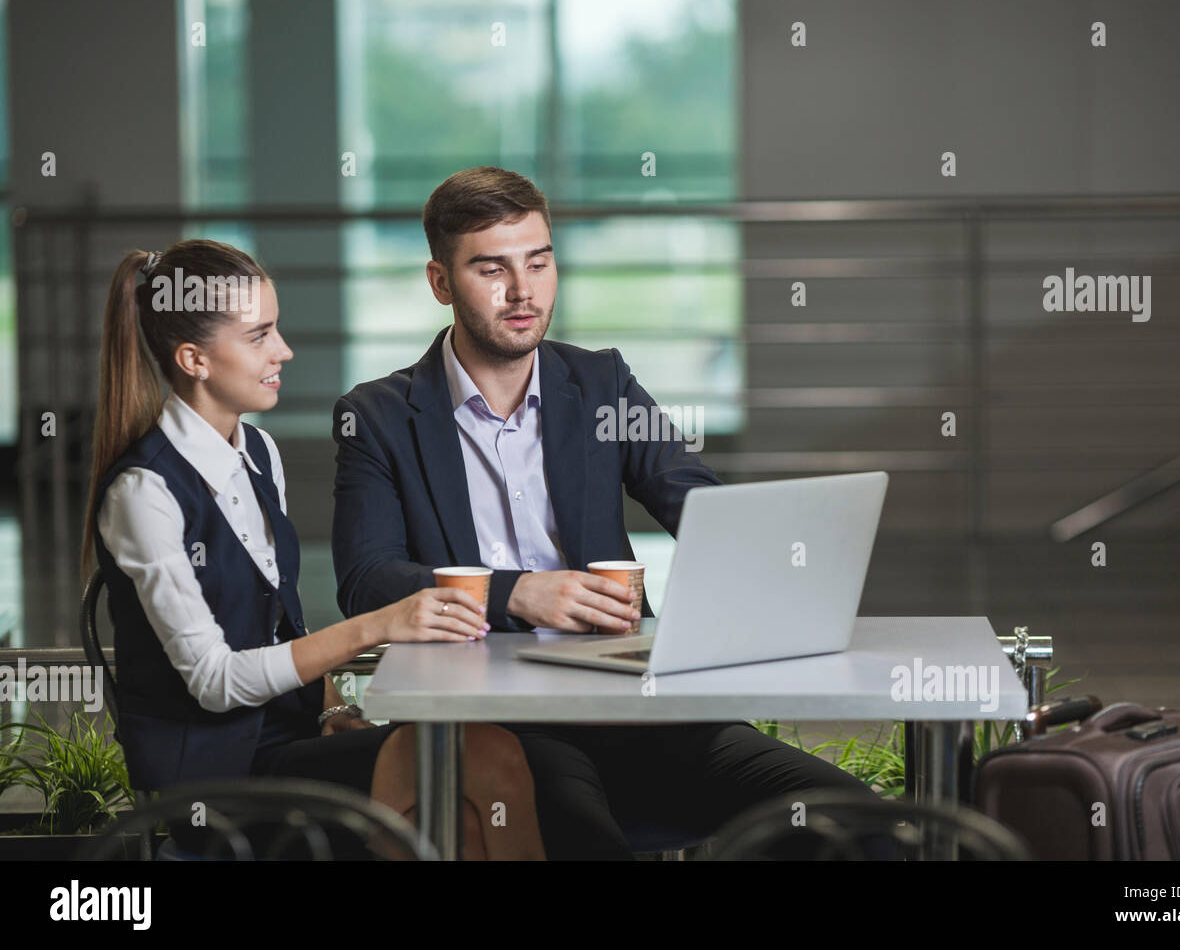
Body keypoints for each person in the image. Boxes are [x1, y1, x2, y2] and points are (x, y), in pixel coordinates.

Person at [331, 167, 881, 860]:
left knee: (851, 820)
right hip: (500, 720)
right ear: (441, 282)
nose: (523, 290)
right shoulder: (379, 417)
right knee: (581, 834)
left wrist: (784, 558)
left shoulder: (601, 383)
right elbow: (369, 581)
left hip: (633, 698)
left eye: (539, 260)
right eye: (491, 268)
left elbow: (699, 505)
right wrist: (520, 591)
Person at [82, 239, 545, 860]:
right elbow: (215, 681)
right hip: (213, 786)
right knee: (479, 762)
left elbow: (280, 627)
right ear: (193, 358)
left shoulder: (258, 453)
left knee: (471, 783)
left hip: (288, 746)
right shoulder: (143, 493)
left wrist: (330, 713)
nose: (283, 351)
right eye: (259, 336)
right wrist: (377, 625)